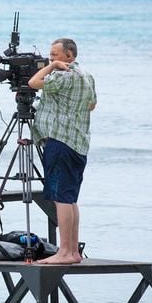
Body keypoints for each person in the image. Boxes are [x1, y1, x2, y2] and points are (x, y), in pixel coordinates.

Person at [28, 38, 97, 264]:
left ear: (69, 55)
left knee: (60, 198)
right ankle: (73, 251)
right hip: (78, 142)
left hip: (60, 142)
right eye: (50, 55)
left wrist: (50, 68)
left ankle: (65, 252)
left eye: (55, 55)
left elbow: (33, 83)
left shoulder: (61, 75)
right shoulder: (86, 75)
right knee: (69, 198)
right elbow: (91, 105)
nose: (52, 59)